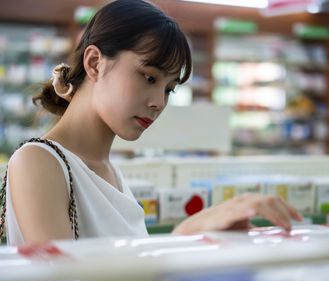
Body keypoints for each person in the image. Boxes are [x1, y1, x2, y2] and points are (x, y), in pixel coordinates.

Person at [4, 0, 302, 246]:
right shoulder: (38, 162)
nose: (159, 102)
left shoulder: (109, 171)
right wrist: (183, 236)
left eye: (169, 89)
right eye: (149, 78)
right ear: (94, 63)